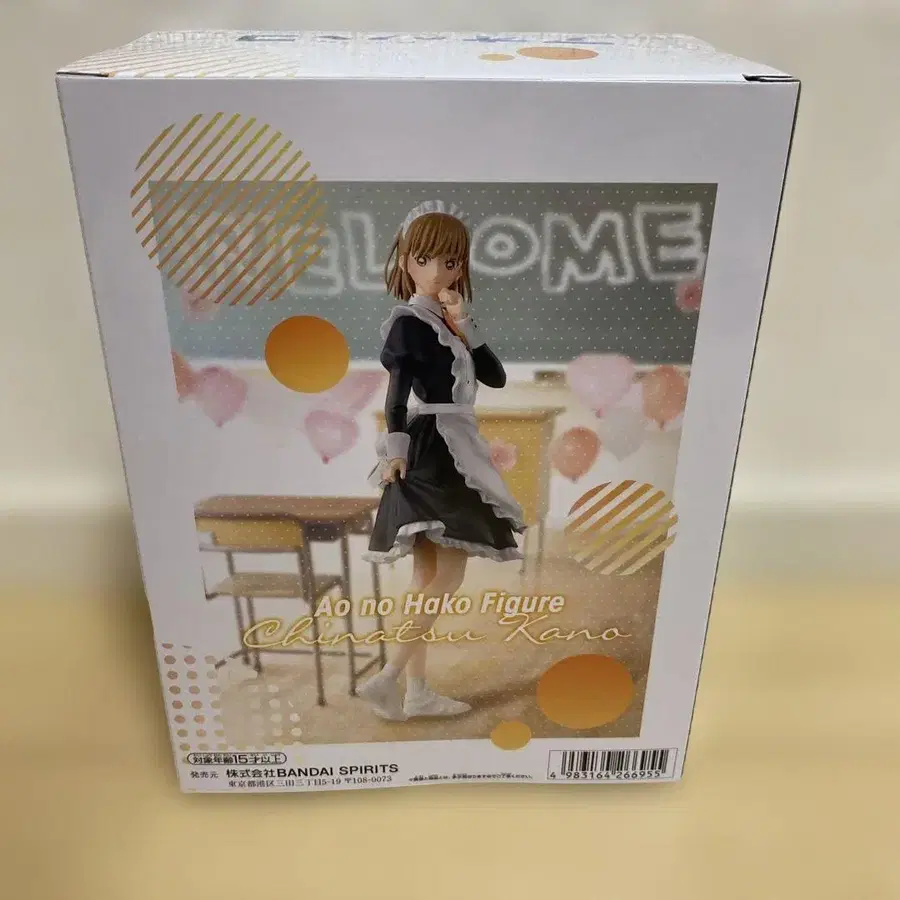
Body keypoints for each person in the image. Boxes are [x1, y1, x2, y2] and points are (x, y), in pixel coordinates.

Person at [360, 200, 525, 721]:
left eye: (450, 262)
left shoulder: (448, 321)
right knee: (447, 574)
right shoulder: (408, 323)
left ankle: (416, 692)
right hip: (435, 448)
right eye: (425, 259)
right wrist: (396, 452)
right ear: (406, 260)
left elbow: (495, 377)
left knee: (425, 578)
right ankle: (388, 678)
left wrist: (464, 320)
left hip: (456, 440)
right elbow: (395, 396)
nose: (437, 272)